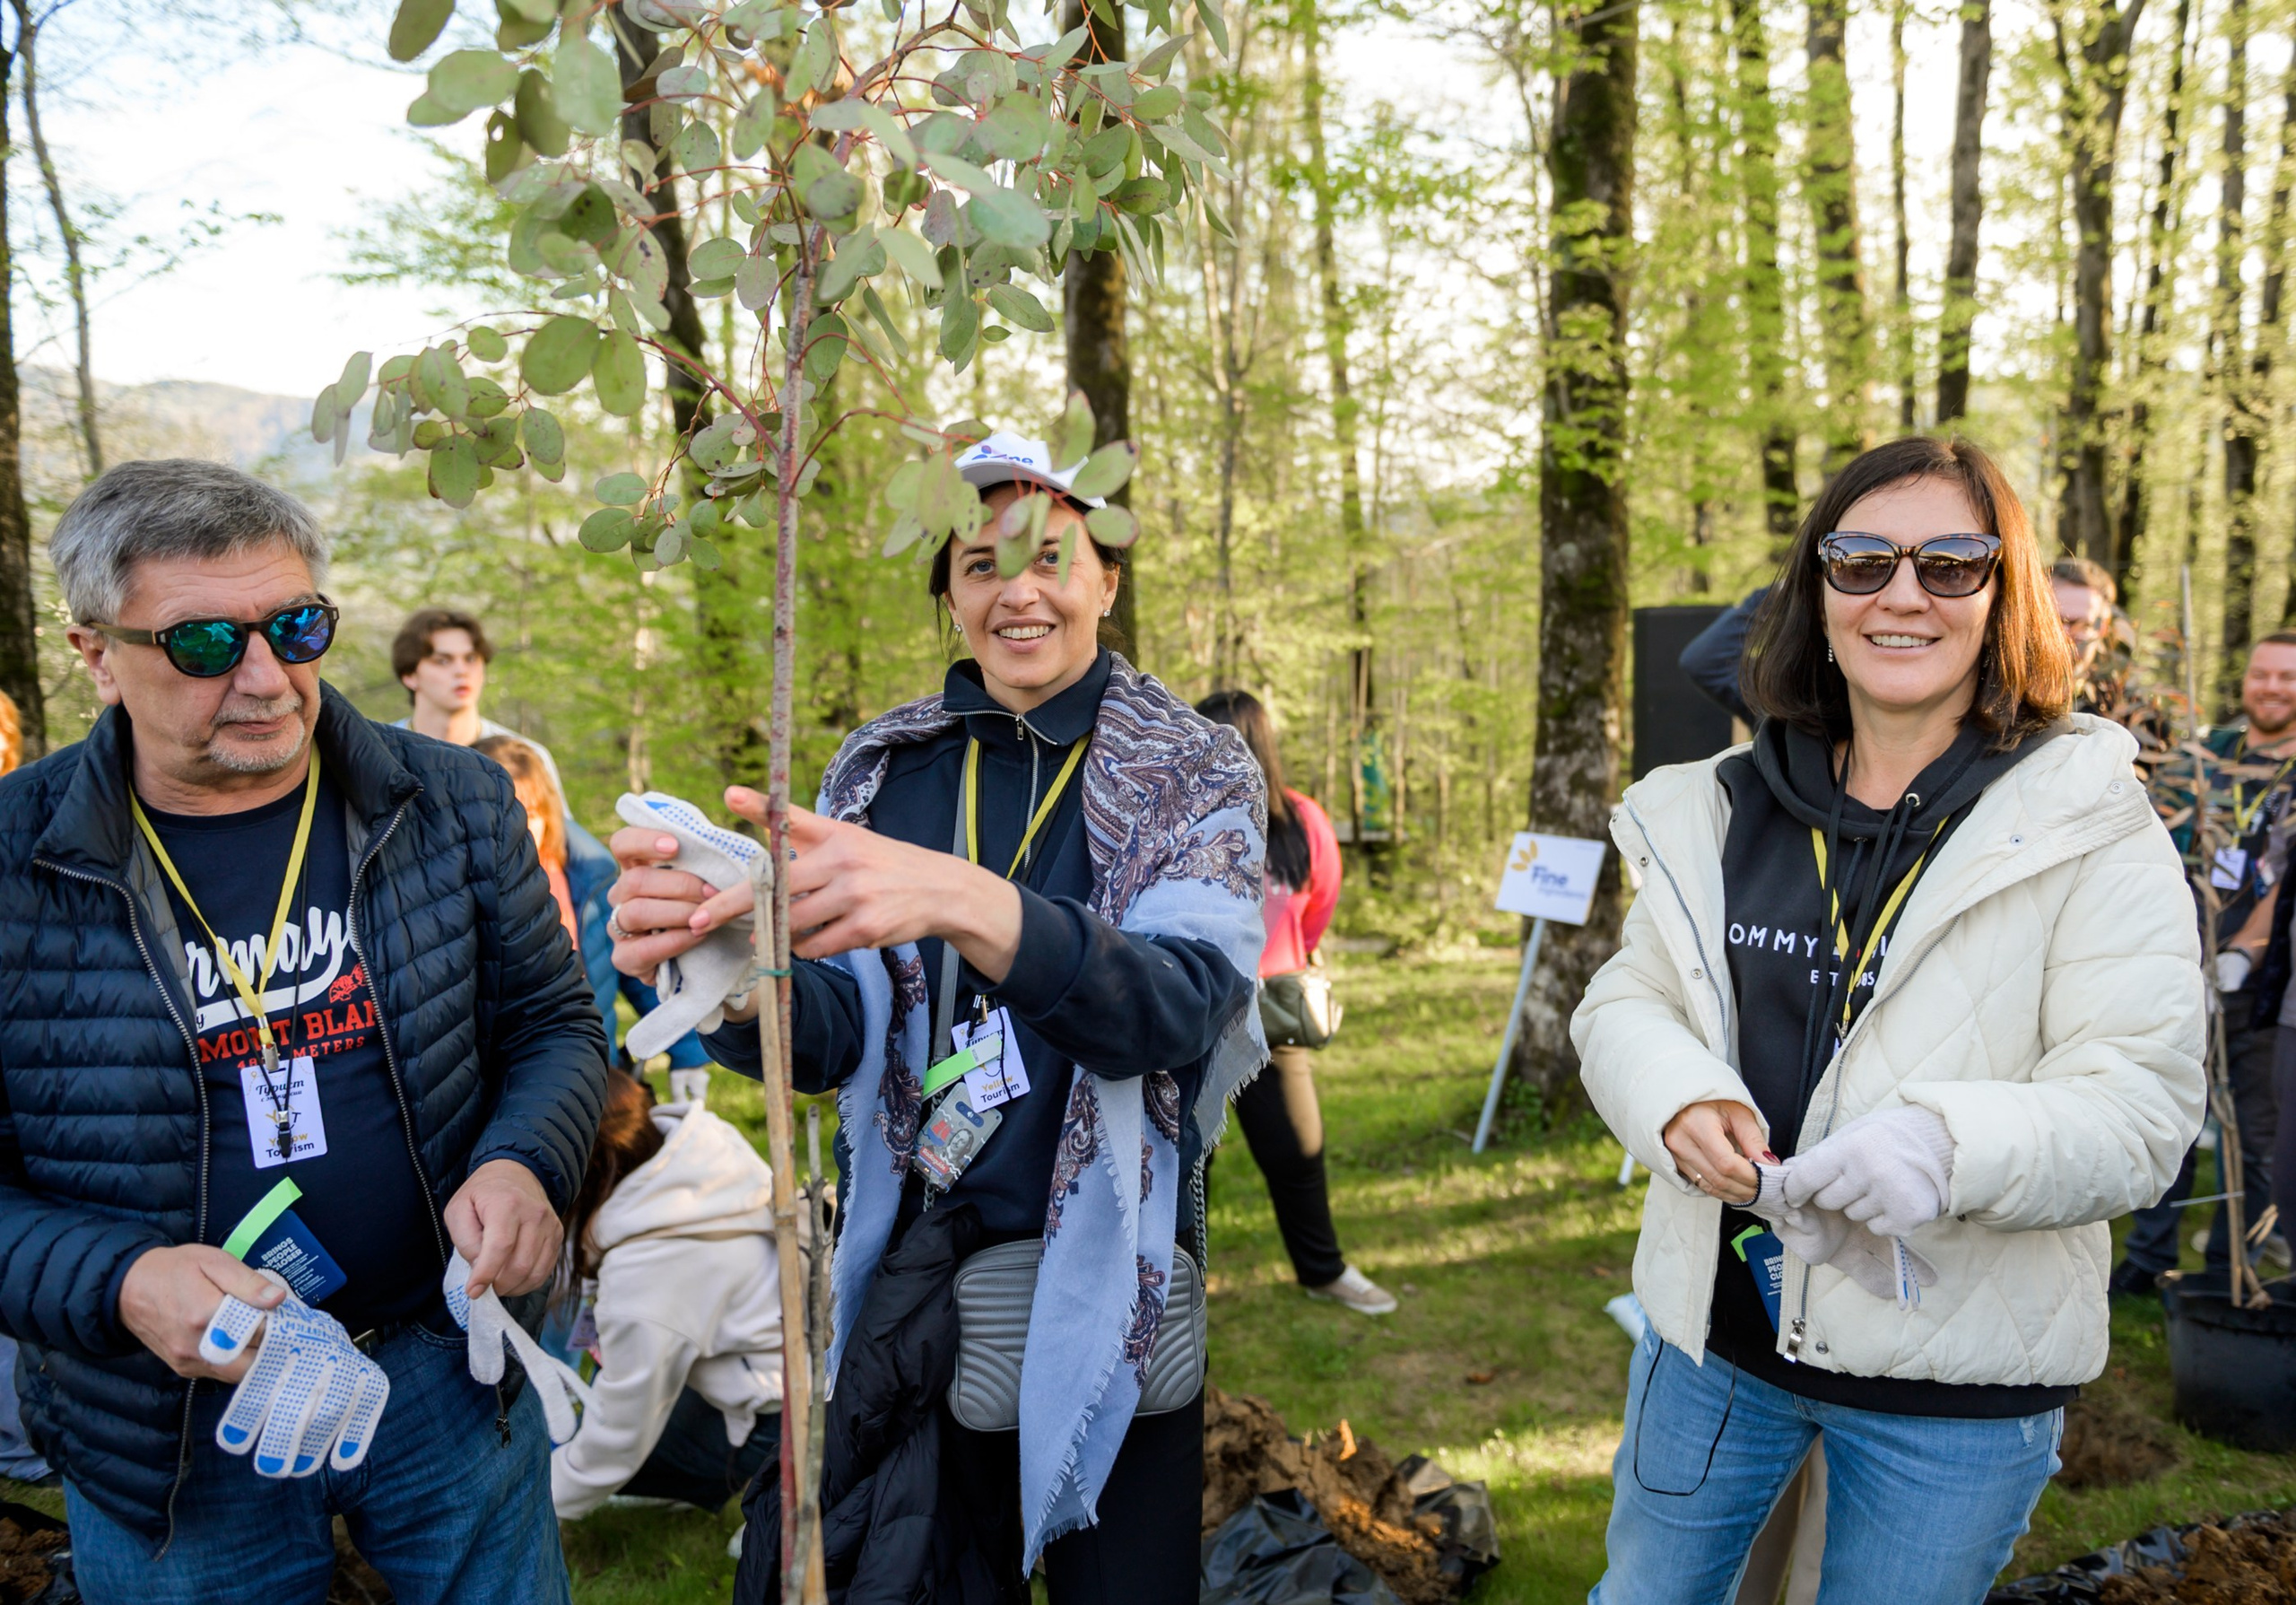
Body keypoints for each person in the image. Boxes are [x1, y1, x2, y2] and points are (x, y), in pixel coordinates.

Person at [605, 432, 1265, 1604]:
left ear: (1107, 577)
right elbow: (843, 1043)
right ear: (950, 593)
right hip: (920, 1282)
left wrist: (974, 903)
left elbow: (1177, 1008)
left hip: (1109, 1286)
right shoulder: (889, 769)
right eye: (978, 562)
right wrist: (731, 970)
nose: (1016, 589)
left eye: (1048, 555)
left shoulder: (1190, 770)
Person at [1573, 435, 2205, 1603]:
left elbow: (2141, 1105)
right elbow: (1628, 998)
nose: (1901, 592)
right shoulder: (1719, 805)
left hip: (1953, 1387)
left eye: (1951, 563)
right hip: (1714, 1348)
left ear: (2003, 594)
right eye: (1860, 560)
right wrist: (1677, 1096)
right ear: (1813, 594)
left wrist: (1946, 1145)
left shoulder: (2092, 819)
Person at [0, 460, 608, 1601]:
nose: (270, 678)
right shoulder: (13, 862)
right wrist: (123, 1279)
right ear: (96, 654)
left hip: (443, 1375)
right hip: (169, 1438)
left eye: (297, 624)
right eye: (204, 644)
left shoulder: (453, 802)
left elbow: (553, 1022)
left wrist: (528, 1161)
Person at [1196, 689, 1394, 1316]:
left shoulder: (1302, 821)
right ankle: (1177, 1282)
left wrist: (1281, 962)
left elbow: (1319, 905)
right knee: (1188, 1159)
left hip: (1270, 1017)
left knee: (1298, 1150)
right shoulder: (1182, 816)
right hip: (1192, 1010)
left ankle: (1322, 1269)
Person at [2113, 632, 2296, 1293]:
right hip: (2177, 963)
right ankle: (2148, 1254)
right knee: (2171, 1111)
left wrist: (2241, 956)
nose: (2272, 687)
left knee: (2252, 1127)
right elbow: (2152, 837)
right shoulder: (2203, 754)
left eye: (2288, 677)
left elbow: (2284, 881)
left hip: (2260, 980)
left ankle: (2228, 1267)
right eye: (2262, 674)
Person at [550, 1066, 782, 1519]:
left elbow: (617, 1440)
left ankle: (770, 1495)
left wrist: (535, 1503)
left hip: (772, 1415)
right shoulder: (695, 1155)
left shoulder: (649, 1279)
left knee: (605, 1437)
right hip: (804, 1366)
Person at [474, 733, 711, 1088]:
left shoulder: (590, 881)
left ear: (549, 815)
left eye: (531, 812)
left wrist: (689, 1054)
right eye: (504, 815)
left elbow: (640, 970)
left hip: (593, 1075)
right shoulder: (453, 893)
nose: (520, 829)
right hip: (496, 1085)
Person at [391, 606, 567, 803]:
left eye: (471, 658)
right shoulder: (379, 753)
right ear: (409, 675)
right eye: (442, 661)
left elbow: (555, 832)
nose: (461, 671)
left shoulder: (527, 758)